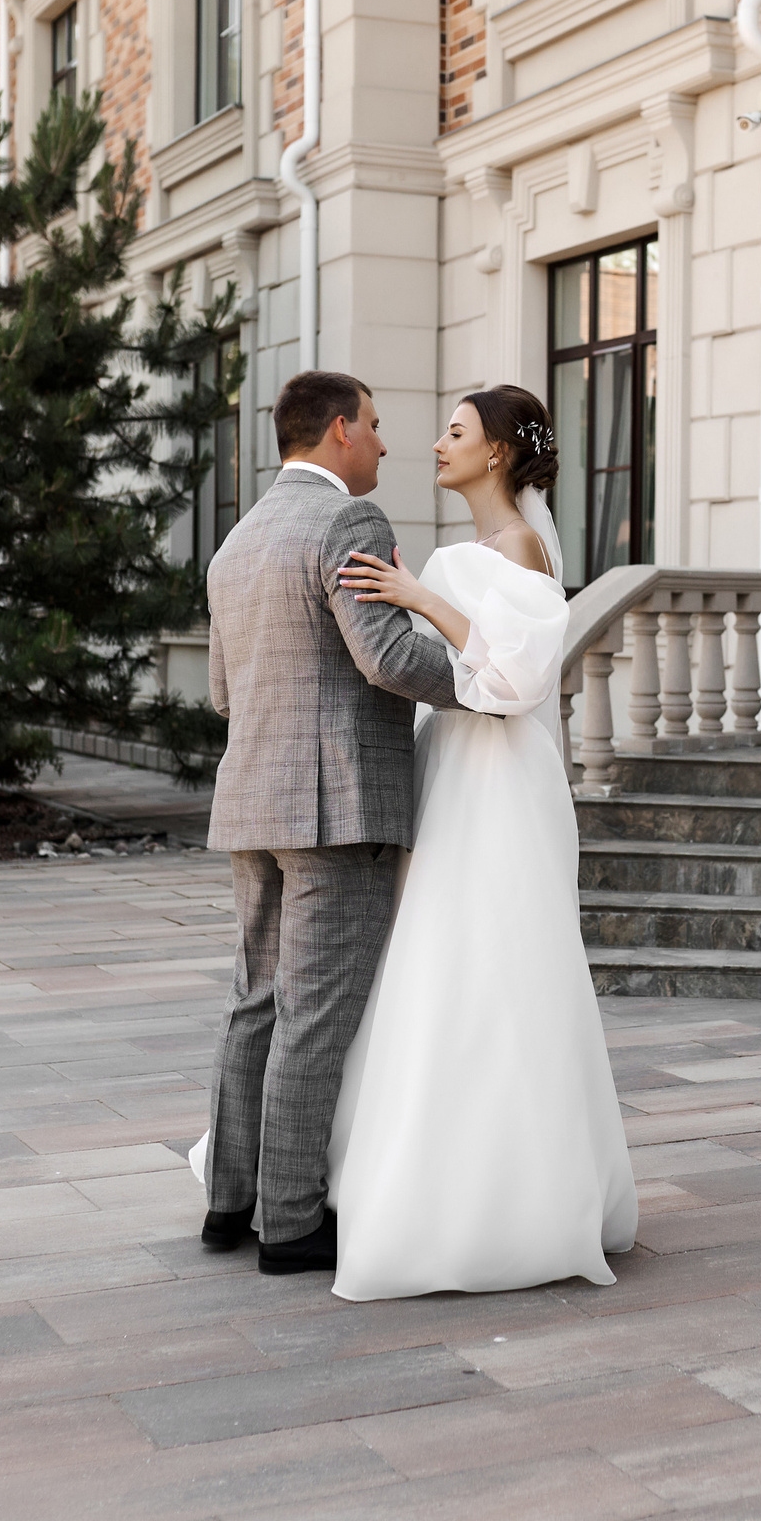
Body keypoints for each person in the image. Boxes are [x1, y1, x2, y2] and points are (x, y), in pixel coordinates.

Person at [319, 384, 639, 1300]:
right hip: (450, 764)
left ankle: (511, 1200)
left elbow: (515, 675)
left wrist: (423, 595)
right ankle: (410, 1176)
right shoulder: (466, 552)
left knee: (497, 960)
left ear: (496, 452)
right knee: (428, 959)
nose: (435, 443)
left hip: (500, 777)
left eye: (455, 432)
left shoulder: (520, 549)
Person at [190, 371, 461, 1277]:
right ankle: (293, 1219)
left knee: (255, 1003)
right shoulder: (351, 523)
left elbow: (224, 690)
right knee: (313, 1015)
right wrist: (490, 677)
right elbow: (385, 657)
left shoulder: (236, 542)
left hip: (254, 803)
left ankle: (228, 1203)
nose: (385, 444)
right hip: (335, 808)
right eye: (377, 426)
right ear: (340, 430)